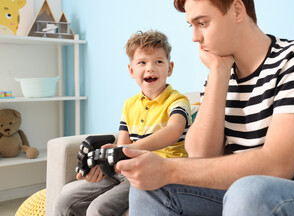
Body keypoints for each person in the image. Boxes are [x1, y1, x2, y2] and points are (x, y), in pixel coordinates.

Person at [115, 0, 294, 215]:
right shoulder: (220, 73)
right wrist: (219, 72)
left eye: (202, 23)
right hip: (244, 192)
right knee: (148, 189)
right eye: (191, 25)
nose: (194, 37)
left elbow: (277, 165)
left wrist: (168, 169)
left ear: (237, 10)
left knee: (248, 189)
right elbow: (200, 154)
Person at [53, 30, 192, 216]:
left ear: (170, 68)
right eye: (142, 62)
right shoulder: (129, 105)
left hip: (156, 172)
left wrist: (126, 150)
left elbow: (174, 131)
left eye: (158, 61)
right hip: (126, 169)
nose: (150, 68)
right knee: (64, 202)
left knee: (97, 209)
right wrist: (106, 158)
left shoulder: (178, 101)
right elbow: (123, 145)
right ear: (131, 70)